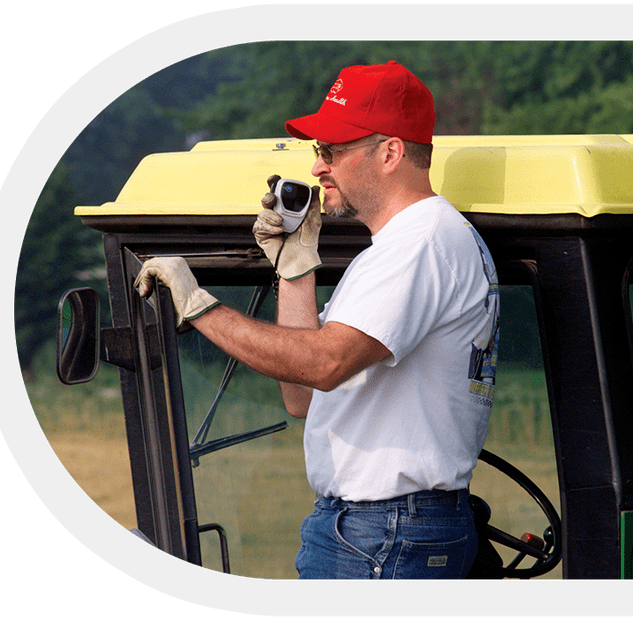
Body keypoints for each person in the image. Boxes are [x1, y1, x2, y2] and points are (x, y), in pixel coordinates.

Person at [135, 61, 500, 580]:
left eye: (332, 151)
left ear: (391, 152)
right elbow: (302, 396)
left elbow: (324, 363)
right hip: (384, 527)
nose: (318, 168)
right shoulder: (417, 245)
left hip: (381, 529)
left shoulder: (419, 245)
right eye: (317, 152)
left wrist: (198, 306)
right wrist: (296, 269)